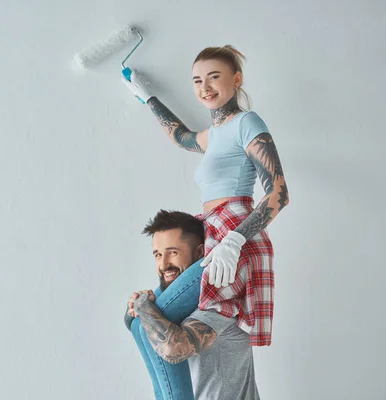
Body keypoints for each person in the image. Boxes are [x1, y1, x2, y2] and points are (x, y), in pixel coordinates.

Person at [122, 45, 289, 398]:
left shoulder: (247, 122)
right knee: (141, 324)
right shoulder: (213, 136)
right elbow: (181, 136)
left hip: (236, 236)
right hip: (215, 234)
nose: (205, 87)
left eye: (214, 76)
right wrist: (147, 97)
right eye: (197, 80)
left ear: (236, 79)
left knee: (147, 321)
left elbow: (278, 192)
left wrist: (235, 240)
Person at [125, 210, 261, 400]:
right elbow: (136, 325)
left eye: (173, 252)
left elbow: (174, 349)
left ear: (199, 252)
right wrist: (139, 306)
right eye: (157, 255)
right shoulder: (171, 307)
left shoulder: (219, 304)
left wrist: (142, 308)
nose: (164, 264)